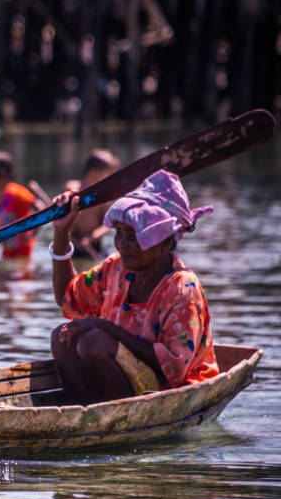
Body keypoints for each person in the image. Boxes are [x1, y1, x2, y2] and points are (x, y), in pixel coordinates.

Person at [48, 169, 218, 404]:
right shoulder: (116, 269)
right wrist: (61, 232)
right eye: (120, 233)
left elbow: (176, 368)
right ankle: (86, 412)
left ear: (166, 240)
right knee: (62, 337)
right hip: (126, 381)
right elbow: (68, 299)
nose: (122, 244)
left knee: (94, 341)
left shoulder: (182, 288)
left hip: (169, 388)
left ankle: (114, 418)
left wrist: (103, 326)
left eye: (134, 236)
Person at [32, 148, 120, 260]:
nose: (110, 178)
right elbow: (62, 217)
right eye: (108, 174)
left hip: (93, 246)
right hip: (70, 244)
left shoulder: (103, 195)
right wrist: (71, 237)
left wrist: (91, 238)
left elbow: (107, 224)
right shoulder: (71, 189)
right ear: (93, 172)